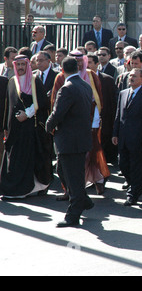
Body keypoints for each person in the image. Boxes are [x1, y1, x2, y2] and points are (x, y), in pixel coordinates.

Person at [46, 57, 94, 227]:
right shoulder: (85, 86)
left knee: (72, 177)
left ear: (62, 69)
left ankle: (73, 215)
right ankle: (84, 200)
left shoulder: (67, 88)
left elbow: (58, 113)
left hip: (69, 140)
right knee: (70, 173)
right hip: (80, 139)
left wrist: (47, 126)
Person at [0, 55, 52, 200]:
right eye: (18, 65)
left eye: (23, 64)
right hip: (14, 129)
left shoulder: (35, 81)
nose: (21, 67)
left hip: (30, 128)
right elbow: (8, 107)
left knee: (29, 159)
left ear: (28, 65)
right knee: (14, 158)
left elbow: (42, 102)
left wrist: (27, 114)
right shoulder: (11, 82)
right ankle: (13, 189)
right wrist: (6, 126)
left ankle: (30, 189)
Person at [113, 68, 142, 206]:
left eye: (134, 76)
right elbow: (118, 115)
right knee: (123, 164)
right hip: (123, 137)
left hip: (139, 137)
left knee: (136, 166)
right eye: (130, 75)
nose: (131, 78)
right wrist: (115, 133)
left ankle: (133, 194)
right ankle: (135, 185)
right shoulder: (123, 93)